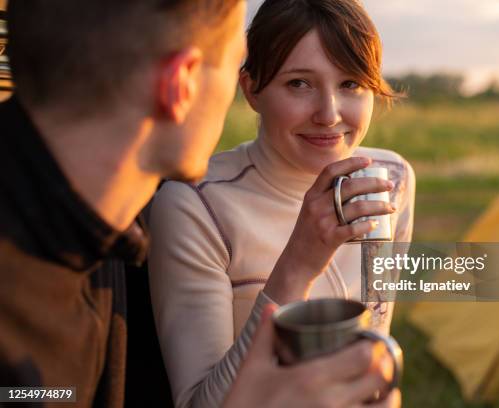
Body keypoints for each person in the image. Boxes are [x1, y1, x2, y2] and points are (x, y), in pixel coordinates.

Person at [0, 0, 397, 407]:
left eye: (351, 82)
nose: (329, 114)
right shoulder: (178, 209)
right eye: (232, 64)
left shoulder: (103, 232)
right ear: (183, 83)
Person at [148, 0, 415, 406]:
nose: (328, 114)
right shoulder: (195, 206)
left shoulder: (391, 179)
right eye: (299, 84)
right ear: (251, 89)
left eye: (351, 84)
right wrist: (298, 264)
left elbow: (375, 338)